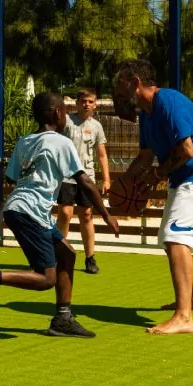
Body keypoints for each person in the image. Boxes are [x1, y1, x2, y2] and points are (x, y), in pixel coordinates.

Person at [0, 92, 119, 338]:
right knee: (47, 279)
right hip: (29, 211)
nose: (66, 115)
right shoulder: (61, 142)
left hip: (20, 207)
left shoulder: (25, 141)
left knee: (66, 254)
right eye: (64, 111)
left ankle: (63, 319)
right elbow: (85, 181)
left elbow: (12, 178)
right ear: (58, 114)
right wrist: (106, 215)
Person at [112, 60, 193, 335]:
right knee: (172, 241)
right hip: (186, 178)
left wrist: (155, 177)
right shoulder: (147, 115)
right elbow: (144, 157)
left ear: (135, 82)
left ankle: (184, 317)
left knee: (176, 238)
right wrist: (125, 183)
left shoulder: (168, 101)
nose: (118, 89)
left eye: (121, 82)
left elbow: (187, 150)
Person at [56, 89, 111, 275]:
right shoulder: (66, 121)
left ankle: (90, 258)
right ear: (77, 103)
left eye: (90, 101)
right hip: (66, 175)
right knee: (65, 212)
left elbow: (102, 154)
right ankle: (59, 254)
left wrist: (106, 179)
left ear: (95, 104)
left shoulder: (96, 126)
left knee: (86, 215)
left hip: (87, 177)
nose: (86, 104)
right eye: (83, 101)